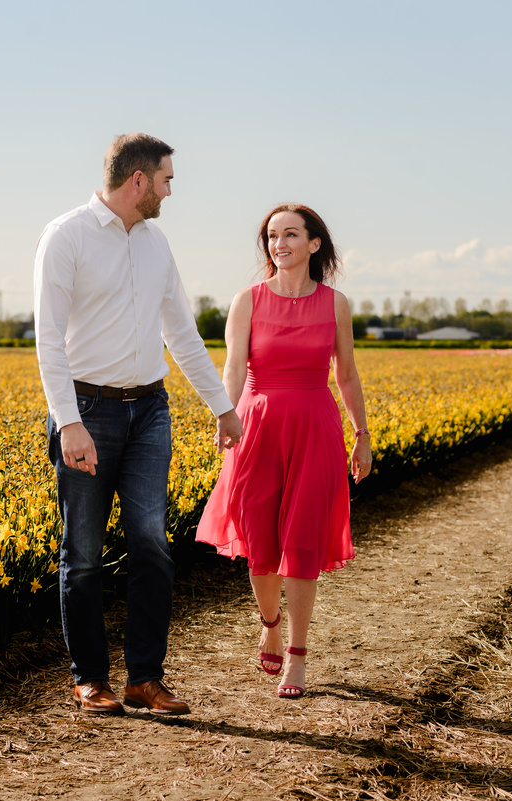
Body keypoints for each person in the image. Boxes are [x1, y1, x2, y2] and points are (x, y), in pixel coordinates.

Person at [34, 133, 243, 716]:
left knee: (151, 544)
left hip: (150, 409)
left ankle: (144, 679)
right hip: (88, 411)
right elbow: (48, 340)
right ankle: (91, 679)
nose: (170, 191)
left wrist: (221, 408)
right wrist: (67, 421)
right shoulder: (66, 235)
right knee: (84, 551)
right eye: (167, 180)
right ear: (139, 181)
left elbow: (181, 332)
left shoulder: (156, 244)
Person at [195, 203, 371, 699]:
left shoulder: (335, 304)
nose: (279, 245)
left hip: (315, 427)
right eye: (272, 236)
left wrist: (362, 434)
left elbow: (347, 373)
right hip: (258, 427)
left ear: (314, 244)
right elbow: (233, 367)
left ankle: (297, 654)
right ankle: (270, 621)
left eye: (290, 235)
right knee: (260, 543)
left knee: (301, 543)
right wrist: (224, 415)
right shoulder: (247, 300)